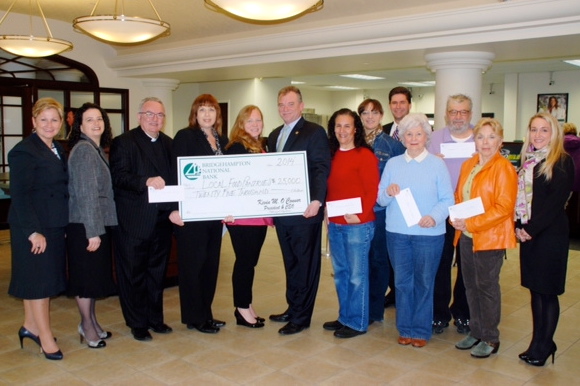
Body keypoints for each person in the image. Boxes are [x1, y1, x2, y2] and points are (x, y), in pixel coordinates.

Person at [377, 113, 453, 348]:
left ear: (426, 137)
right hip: (397, 234)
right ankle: (405, 328)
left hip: (429, 235)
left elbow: (447, 199)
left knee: (424, 282)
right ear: (402, 137)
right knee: (401, 282)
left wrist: (434, 217)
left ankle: (420, 329)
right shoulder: (393, 164)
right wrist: (388, 192)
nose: (413, 138)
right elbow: (380, 199)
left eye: (418, 134)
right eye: (408, 134)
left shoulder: (437, 164)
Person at [109, 97, 175, 341]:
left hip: (161, 221)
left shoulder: (169, 144)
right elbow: (119, 177)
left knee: (157, 273)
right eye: (149, 114)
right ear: (139, 116)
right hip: (134, 221)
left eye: (159, 115)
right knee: (133, 274)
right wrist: (145, 181)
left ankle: (155, 318)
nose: (155, 119)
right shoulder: (124, 142)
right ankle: (137, 323)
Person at [267, 86, 331, 335]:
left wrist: (317, 200)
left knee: (305, 264)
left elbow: (320, 168)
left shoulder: (314, 132)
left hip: (306, 211)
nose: (285, 109)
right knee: (290, 262)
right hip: (283, 212)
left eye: (290, 104)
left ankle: (301, 317)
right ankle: (293, 307)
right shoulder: (274, 135)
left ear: (301, 106)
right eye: (281, 104)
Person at [451, 118, 517, 358]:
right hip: (467, 236)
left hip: (490, 238)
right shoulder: (469, 164)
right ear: (474, 140)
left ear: (500, 141)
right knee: (470, 286)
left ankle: (490, 337)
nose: (486, 142)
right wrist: (456, 216)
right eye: (481, 137)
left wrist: (471, 223)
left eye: (491, 137)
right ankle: (476, 331)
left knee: (487, 287)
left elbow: (503, 208)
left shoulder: (504, 168)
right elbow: (461, 196)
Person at [8, 97, 68, 360]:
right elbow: (20, 196)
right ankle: (45, 338)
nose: (49, 124)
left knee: (37, 281)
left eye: (54, 119)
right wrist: (33, 232)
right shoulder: (23, 151)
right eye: (43, 119)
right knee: (40, 285)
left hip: (53, 224)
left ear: (61, 123)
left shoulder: (57, 148)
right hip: (32, 228)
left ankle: (30, 326)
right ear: (33, 121)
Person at [515, 113, 574, 366]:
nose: (537, 135)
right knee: (535, 291)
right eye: (534, 130)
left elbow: (553, 204)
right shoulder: (528, 161)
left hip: (550, 236)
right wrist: (518, 226)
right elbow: (521, 200)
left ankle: (545, 344)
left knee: (548, 293)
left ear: (554, 134)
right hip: (530, 235)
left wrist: (530, 228)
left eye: (544, 130)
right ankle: (538, 343)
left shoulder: (561, 161)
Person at [171, 94, 228, 334]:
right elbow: (174, 172)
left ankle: (206, 312)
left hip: (214, 214)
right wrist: (175, 207)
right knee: (192, 267)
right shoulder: (185, 137)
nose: (207, 115)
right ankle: (195, 317)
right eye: (202, 110)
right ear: (195, 114)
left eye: (211, 110)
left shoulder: (222, 140)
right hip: (192, 214)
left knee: (210, 265)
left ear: (217, 114)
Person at [322, 108, 379, 338]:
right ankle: (345, 316)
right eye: (338, 126)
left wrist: (362, 215)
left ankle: (357, 322)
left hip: (358, 224)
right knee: (342, 273)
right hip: (335, 224)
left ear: (355, 129)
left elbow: (372, 190)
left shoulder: (364, 155)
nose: (342, 131)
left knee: (357, 276)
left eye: (347, 126)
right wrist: (326, 212)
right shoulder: (331, 155)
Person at [67, 103, 118, 349]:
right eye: (89, 120)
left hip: (95, 224)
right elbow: (87, 195)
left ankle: (93, 321)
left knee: (93, 279)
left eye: (100, 118)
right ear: (80, 125)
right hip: (86, 227)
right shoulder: (85, 150)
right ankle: (86, 326)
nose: (96, 123)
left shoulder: (95, 148)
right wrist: (93, 232)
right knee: (86, 281)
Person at [223, 105, 273, 328]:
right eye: (250, 120)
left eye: (258, 120)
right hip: (243, 218)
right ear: (241, 124)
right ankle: (241, 308)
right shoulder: (236, 147)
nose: (255, 124)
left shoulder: (258, 145)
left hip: (258, 216)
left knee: (250, 262)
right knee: (244, 262)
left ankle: (247, 304)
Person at [427, 93, 473, 335]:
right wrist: (431, 162)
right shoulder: (434, 139)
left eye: (463, 112)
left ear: (470, 114)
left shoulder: (480, 137)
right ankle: (439, 313)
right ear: (446, 114)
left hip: (470, 212)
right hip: (442, 210)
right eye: (454, 112)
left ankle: (463, 312)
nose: (458, 117)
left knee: (467, 265)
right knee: (440, 263)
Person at [357, 99, 405, 323]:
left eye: (374, 113)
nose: (369, 117)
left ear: (381, 115)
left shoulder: (391, 144)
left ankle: (374, 311)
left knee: (378, 260)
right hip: (356, 212)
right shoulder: (354, 142)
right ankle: (361, 307)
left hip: (380, 211)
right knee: (360, 261)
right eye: (364, 113)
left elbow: (402, 174)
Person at [381, 87, 412, 307]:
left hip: (410, 200)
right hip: (387, 197)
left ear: (409, 105)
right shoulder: (382, 131)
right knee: (388, 249)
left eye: (402, 102)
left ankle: (405, 293)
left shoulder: (417, 130)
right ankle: (392, 290)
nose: (398, 106)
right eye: (394, 102)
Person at [563, 122, 580, 237]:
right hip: (578, 180)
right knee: (575, 209)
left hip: (563, 180)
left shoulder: (557, 144)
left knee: (562, 207)